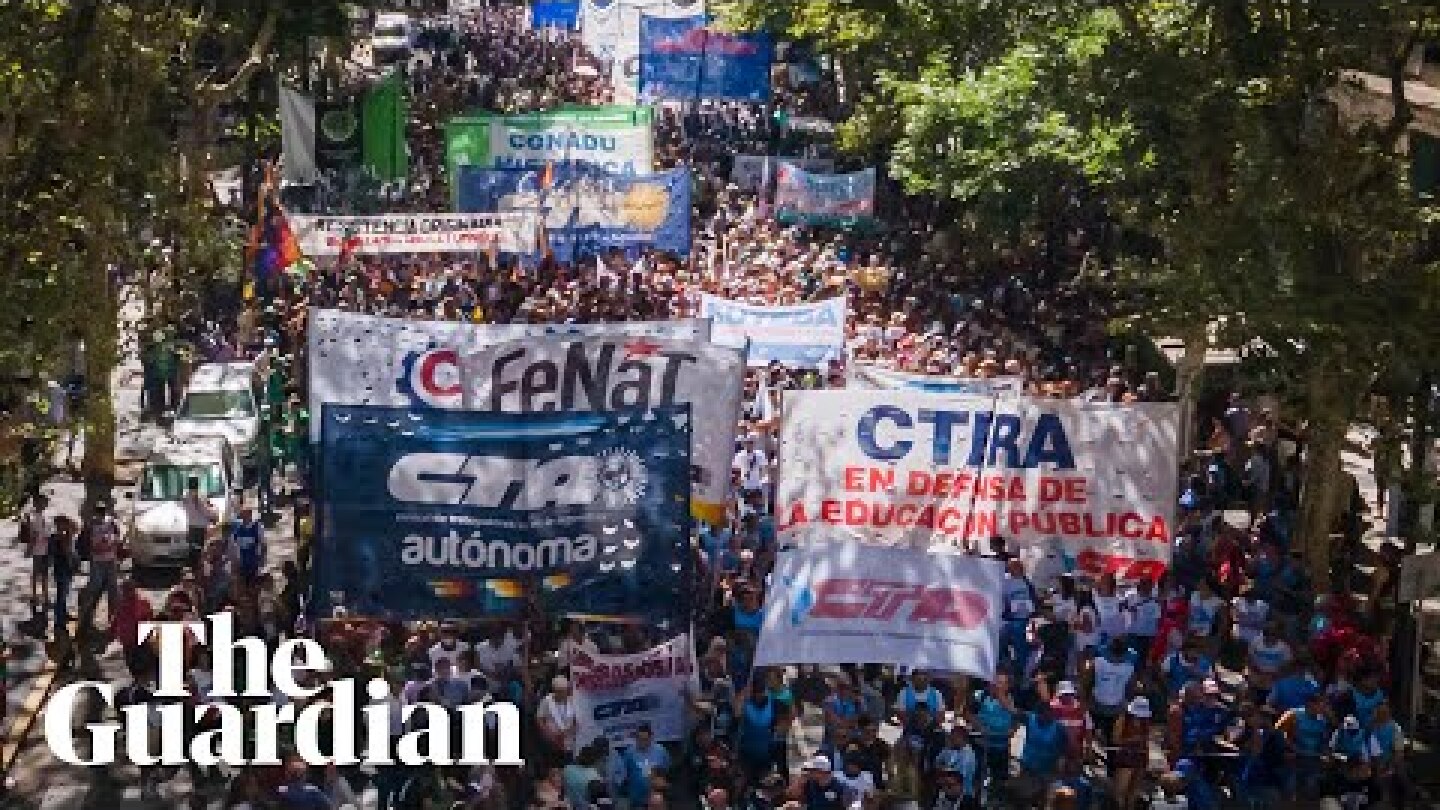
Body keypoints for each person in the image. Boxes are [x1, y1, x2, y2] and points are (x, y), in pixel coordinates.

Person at [80, 501, 123, 632]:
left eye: (103, 511)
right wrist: (91, 550)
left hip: (110, 560)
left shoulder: (111, 522)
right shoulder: (90, 524)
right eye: (99, 511)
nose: (101, 514)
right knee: (95, 587)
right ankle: (86, 617)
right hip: (97, 561)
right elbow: (84, 541)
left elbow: (118, 536)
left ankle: (113, 619)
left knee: (113, 589)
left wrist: (114, 543)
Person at [1112, 697, 1152, 810]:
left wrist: (1146, 759)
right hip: (1125, 757)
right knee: (1121, 790)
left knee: (1134, 791)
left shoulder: (1146, 721)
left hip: (1141, 756)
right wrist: (1133, 739)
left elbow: (1146, 741)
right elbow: (1116, 740)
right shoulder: (1123, 720)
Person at [537, 675, 579, 770]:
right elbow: (539, 719)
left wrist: (567, 732)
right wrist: (549, 734)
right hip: (552, 741)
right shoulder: (546, 701)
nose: (563, 694)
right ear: (555, 691)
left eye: (565, 691)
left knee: (568, 766)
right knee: (555, 766)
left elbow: (576, 720)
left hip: (569, 741)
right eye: (560, 692)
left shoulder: (572, 700)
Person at [20, 491, 53, 611]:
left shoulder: (45, 516)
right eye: (42, 502)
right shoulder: (34, 517)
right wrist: (29, 548)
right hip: (38, 550)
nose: (44, 504)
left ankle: (44, 597)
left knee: (44, 574)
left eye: (45, 502)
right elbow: (32, 534)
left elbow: (48, 532)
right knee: (37, 574)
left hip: (45, 549)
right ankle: (35, 596)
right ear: (37, 504)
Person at [181, 476, 217, 570]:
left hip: (191, 527)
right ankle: (197, 573)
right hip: (200, 529)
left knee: (193, 551)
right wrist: (214, 514)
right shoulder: (197, 497)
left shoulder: (185, 496)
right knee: (200, 552)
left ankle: (191, 572)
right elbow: (205, 511)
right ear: (197, 484)